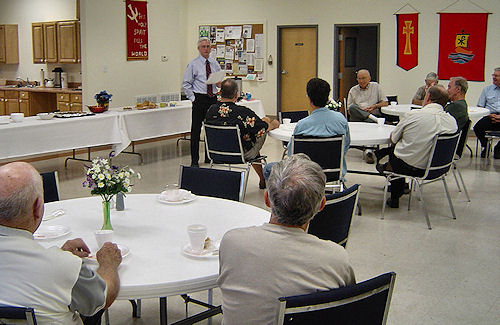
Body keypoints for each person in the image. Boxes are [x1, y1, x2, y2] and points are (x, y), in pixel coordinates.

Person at [217, 154, 356, 324]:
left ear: (267, 199)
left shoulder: (232, 242)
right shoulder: (336, 259)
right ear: (321, 205)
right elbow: (346, 308)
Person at [0, 162, 122, 325]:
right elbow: (101, 299)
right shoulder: (63, 266)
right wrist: (108, 264)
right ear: (37, 207)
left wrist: (58, 255)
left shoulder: (58, 263)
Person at [377, 85, 458, 208]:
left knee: (395, 154)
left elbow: (393, 138)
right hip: (437, 168)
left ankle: (395, 196)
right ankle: (400, 183)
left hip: (409, 166)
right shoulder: (451, 121)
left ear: (428, 97)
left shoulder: (413, 115)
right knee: (400, 152)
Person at [263, 78, 350, 180]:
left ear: (309, 99)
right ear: (327, 98)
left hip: (305, 176)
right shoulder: (341, 119)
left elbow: (292, 154)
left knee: (268, 168)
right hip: (334, 173)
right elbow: (346, 145)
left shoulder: (302, 124)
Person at [205, 78, 279, 189]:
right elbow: (263, 128)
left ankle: (262, 179)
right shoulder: (243, 112)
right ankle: (263, 179)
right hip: (241, 154)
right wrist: (272, 123)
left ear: (220, 93)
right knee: (258, 131)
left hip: (216, 153)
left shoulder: (211, 110)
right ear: (236, 94)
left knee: (250, 133)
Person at [182, 37, 222, 167]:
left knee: (211, 129)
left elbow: (218, 81)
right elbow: (186, 84)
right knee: (196, 130)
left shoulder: (214, 64)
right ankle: (194, 160)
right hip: (199, 98)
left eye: (208, 46)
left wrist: (219, 84)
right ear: (198, 49)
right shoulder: (193, 64)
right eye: (203, 47)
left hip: (212, 98)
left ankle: (209, 156)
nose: (206, 49)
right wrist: (193, 99)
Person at [347, 69, 388, 163]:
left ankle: (368, 151)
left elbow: (385, 103)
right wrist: (362, 112)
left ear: (369, 78)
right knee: (353, 107)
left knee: (369, 122)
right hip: (358, 116)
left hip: (373, 112)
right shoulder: (353, 90)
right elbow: (350, 110)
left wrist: (374, 106)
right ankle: (369, 117)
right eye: (359, 79)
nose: (361, 81)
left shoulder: (376, 86)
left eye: (364, 78)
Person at [474, 67, 500, 158]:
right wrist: (489, 115)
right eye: (493, 75)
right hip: (489, 116)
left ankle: (498, 148)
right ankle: (486, 146)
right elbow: (480, 107)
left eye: (496, 76)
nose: (494, 77)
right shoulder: (487, 90)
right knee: (477, 128)